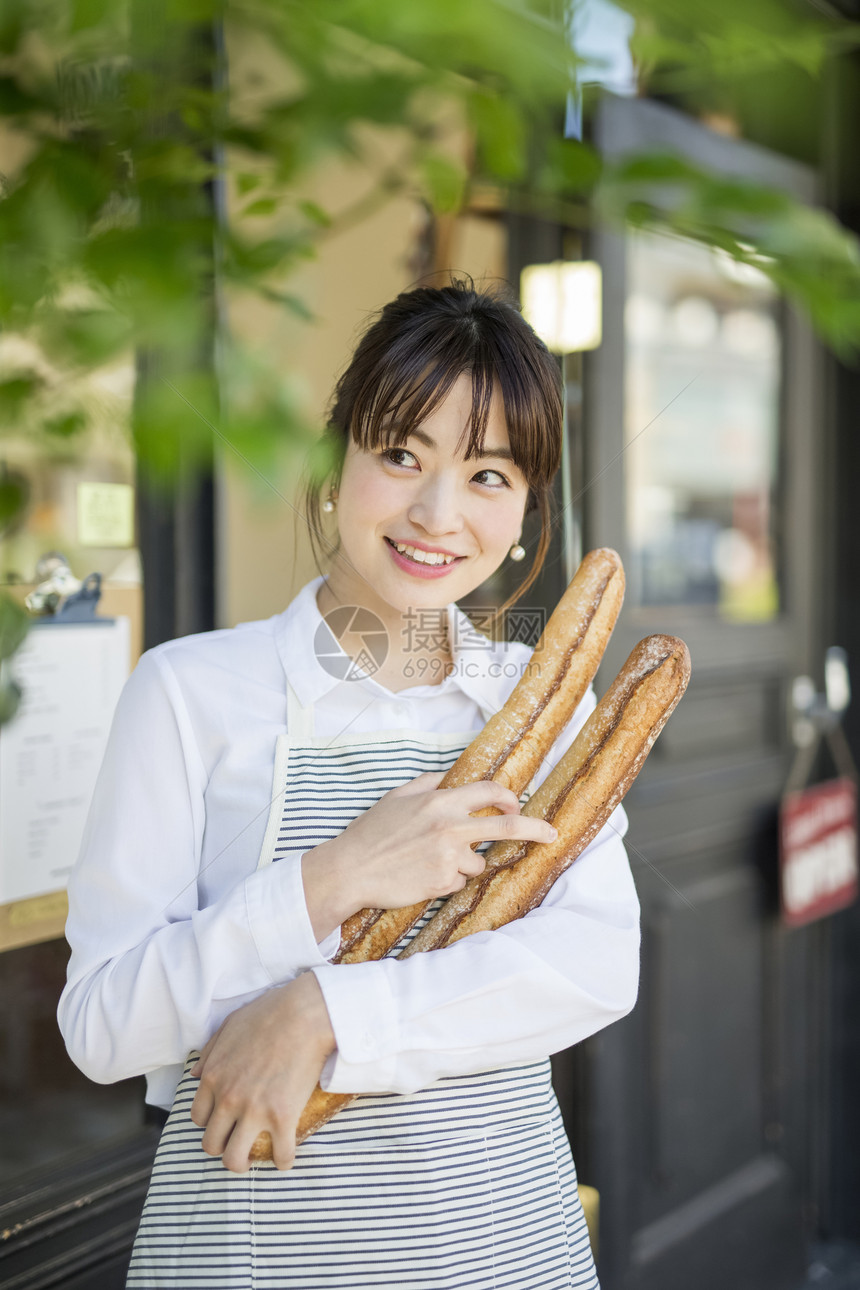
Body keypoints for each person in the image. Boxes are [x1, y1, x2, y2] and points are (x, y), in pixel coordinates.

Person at [58, 280, 641, 1290]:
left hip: (501, 1246)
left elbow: (594, 964)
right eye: (401, 455)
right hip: (253, 1257)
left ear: (524, 507)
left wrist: (327, 1011)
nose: (435, 514)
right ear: (337, 462)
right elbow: (102, 1028)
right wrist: (333, 877)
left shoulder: (541, 705)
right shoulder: (193, 691)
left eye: (487, 475)